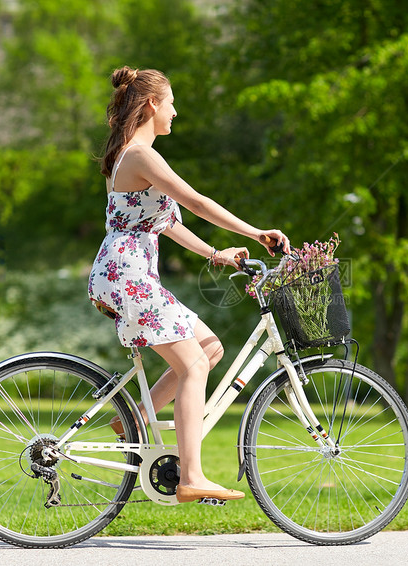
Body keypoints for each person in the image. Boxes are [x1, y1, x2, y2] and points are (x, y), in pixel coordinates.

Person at [88, 67, 290, 504]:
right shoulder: (141, 155)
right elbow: (195, 203)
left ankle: (134, 419)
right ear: (152, 105)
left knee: (210, 348)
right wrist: (255, 233)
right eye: (172, 102)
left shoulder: (136, 155)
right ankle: (191, 476)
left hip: (126, 274)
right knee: (193, 367)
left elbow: (167, 223)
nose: (176, 112)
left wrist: (217, 254)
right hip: (128, 276)